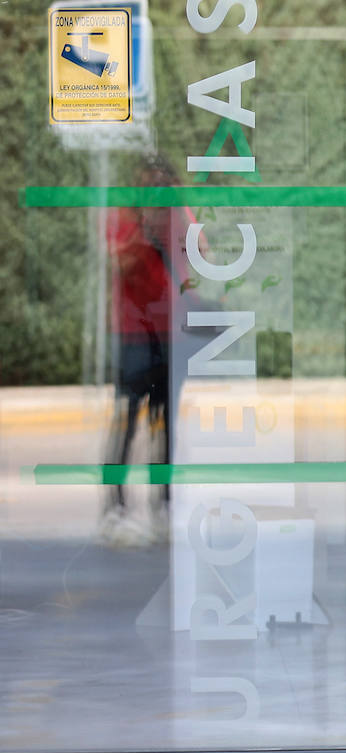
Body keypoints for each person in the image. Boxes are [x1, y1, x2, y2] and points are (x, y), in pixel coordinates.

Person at [99, 154, 185, 547]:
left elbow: (202, 263)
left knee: (165, 426)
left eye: (162, 183)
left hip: (167, 335)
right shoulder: (124, 218)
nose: (156, 191)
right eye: (149, 183)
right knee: (127, 422)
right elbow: (120, 262)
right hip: (133, 336)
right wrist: (145, 228)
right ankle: (115, 507)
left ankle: (162, 505)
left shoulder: (177, 214)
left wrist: (177, 218)